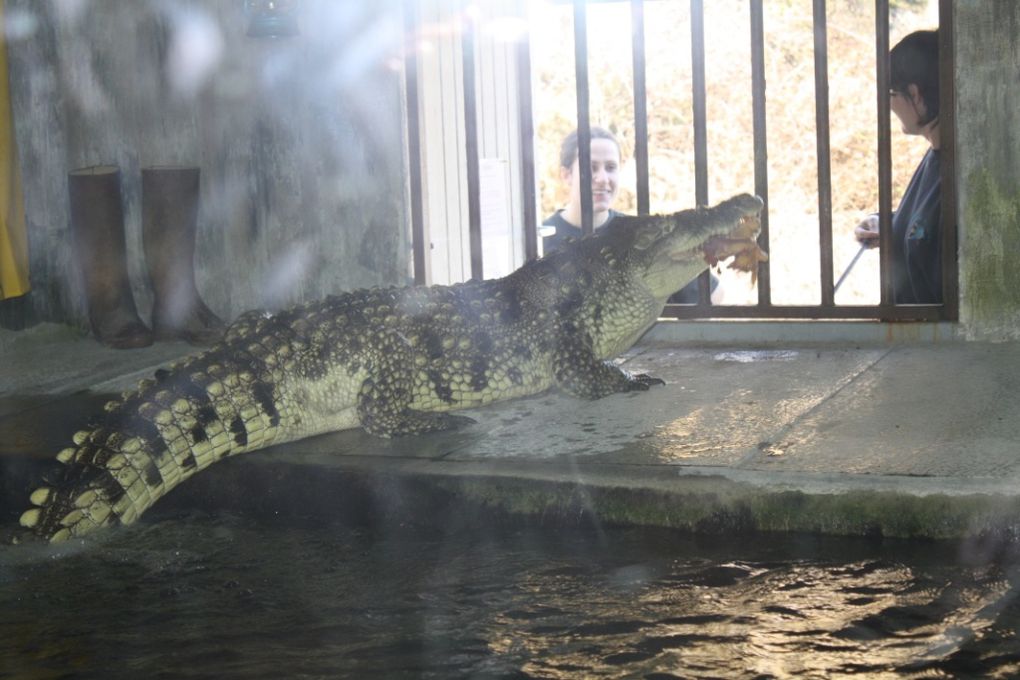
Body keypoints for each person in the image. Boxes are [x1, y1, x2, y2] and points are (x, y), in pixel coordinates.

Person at [542, 126, 710, 303]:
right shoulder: (541, 240)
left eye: (610, 167)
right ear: (566, 175)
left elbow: (711, 297)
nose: (603, 178)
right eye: (591, 167)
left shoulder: (641, 236)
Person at [853, 29, 942, 304]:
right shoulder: (937, 156)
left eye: (891, 93)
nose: (888, 105)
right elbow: (928, 225)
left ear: (914, 94)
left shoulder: (954, 167)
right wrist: (888, 224)